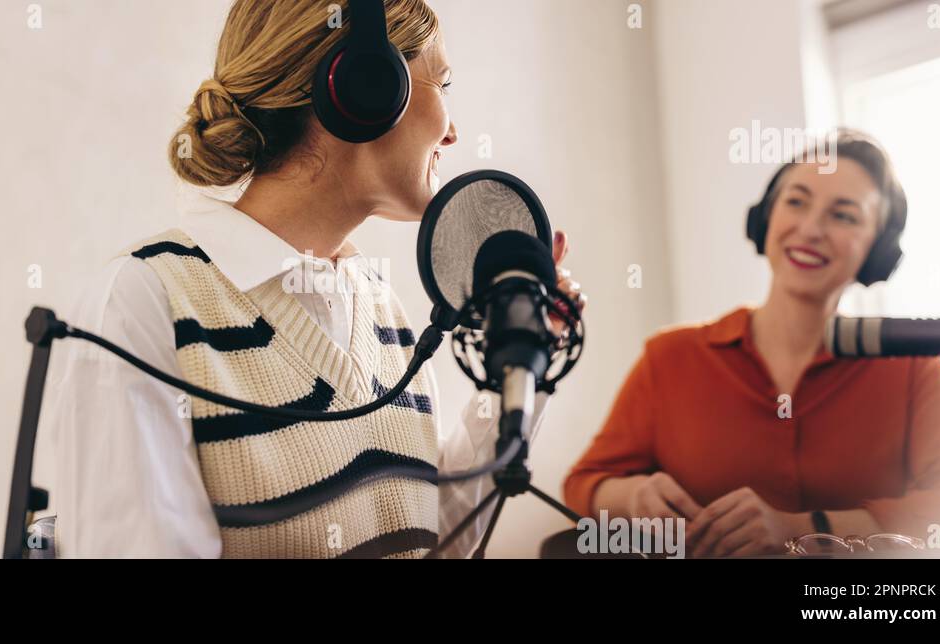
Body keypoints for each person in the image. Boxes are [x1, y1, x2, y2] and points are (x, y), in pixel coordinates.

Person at [48, 0, 585, 558]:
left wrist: (523, 363)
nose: (454, 134)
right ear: (365, 86)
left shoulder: (383, 311)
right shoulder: (144, 304)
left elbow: (424, 541)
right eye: (443, 84)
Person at [563, 130, 940, 557]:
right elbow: (583, 484)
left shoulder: (909, 366)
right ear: (765, 219)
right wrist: (632, 496)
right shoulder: (671, 357)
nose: (810, 229)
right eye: (796, 202)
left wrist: (809, 529)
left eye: (843, 216)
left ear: (877, 251)